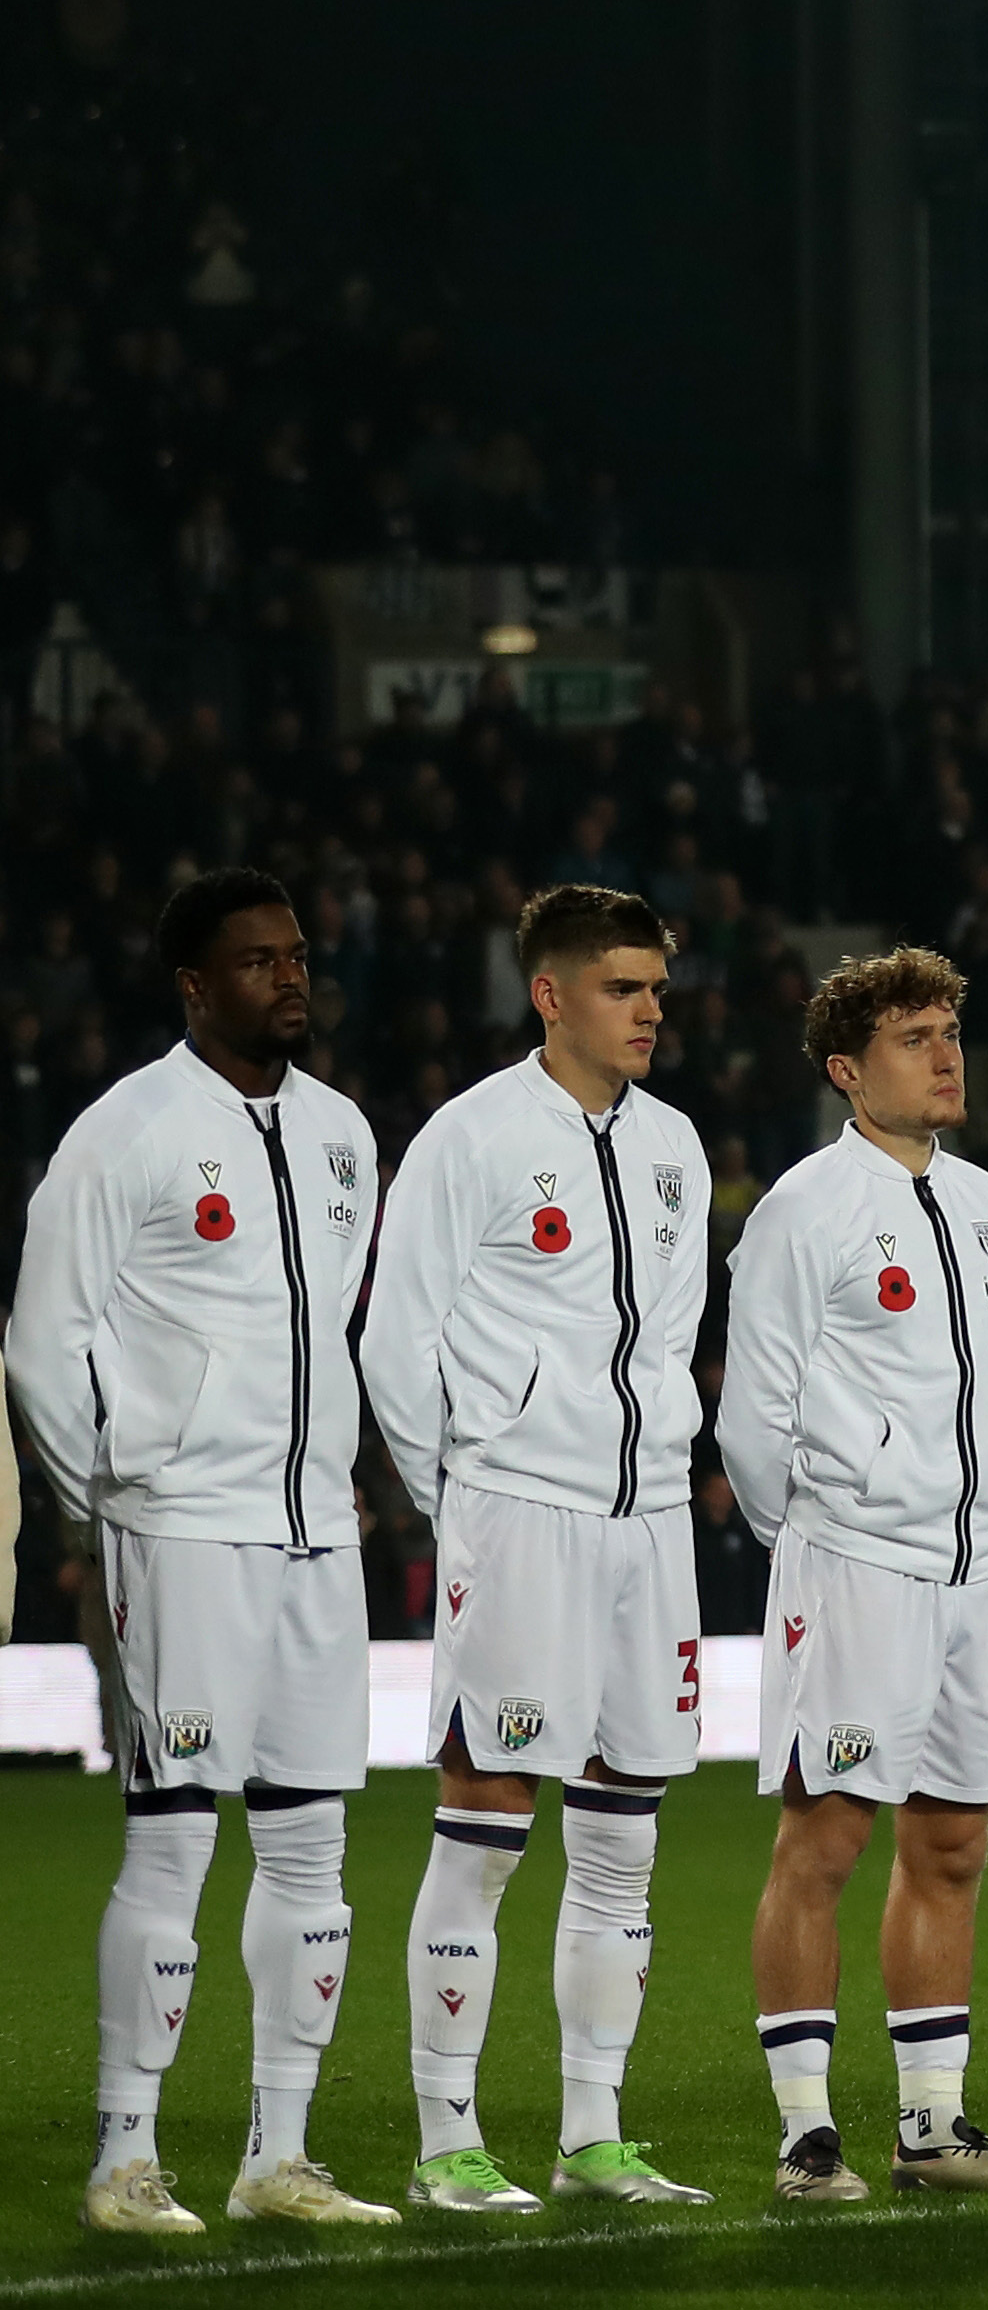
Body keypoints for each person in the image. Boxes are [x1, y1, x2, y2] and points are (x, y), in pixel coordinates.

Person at [9, 870, 392, 2235]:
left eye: (295, 955)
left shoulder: (343, 1132)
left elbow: (340, 1332)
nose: (287, 978)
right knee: (172, 1841)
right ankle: (124, 2156)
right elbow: (42, 1340)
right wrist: (118, 1485)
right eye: (254, 961)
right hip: (179, 1529)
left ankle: (276, 2152)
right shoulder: (125, 1130)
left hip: (310, 1534)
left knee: (311, 1851)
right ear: (192, 982)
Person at [358, 885, 718, 2211]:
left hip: (648, 1524)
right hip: (517, 1512)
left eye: (657, 990)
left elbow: (668, 1339)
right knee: (488, 1823)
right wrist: (456, 1490)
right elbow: (398, 1338)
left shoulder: (674, 1145)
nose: (649, 1011)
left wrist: (667, 1455)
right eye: (623, 987)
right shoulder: (471, 1136)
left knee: (625, 1832)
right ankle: (447, 2135)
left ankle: (592, 2132)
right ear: (550, 992)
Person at [722, 948, 988, 2201]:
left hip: (975, 1569)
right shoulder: (803, 1209)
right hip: (859, 1563)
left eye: (950, 1030)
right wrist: (830, 1532)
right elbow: (754, 1418)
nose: (944, 1053)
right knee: (821, 1840)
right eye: (915, 1035)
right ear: (845, 1068)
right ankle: (806, 2131)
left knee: (956, 1841)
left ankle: (931, 2128)